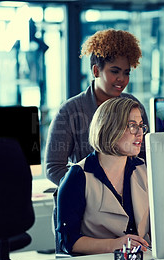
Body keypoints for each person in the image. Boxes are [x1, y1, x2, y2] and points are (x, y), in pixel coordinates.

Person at [45, 29, 148, 186]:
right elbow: (53, 168)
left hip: (128, 198)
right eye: (114, 71)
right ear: (96, 71)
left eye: (126, 73)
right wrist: (90, 189)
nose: (122, 79)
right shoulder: (70, 111)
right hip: (85, 203)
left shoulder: (133, 106)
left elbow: (145, 157)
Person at [56, 97, 151, 255]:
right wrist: (115, 244)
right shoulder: (78, 176)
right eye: (132, 126)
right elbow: (68, 242)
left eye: (141, 126)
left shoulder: (144, 169)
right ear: (111, 128)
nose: (140, 133)